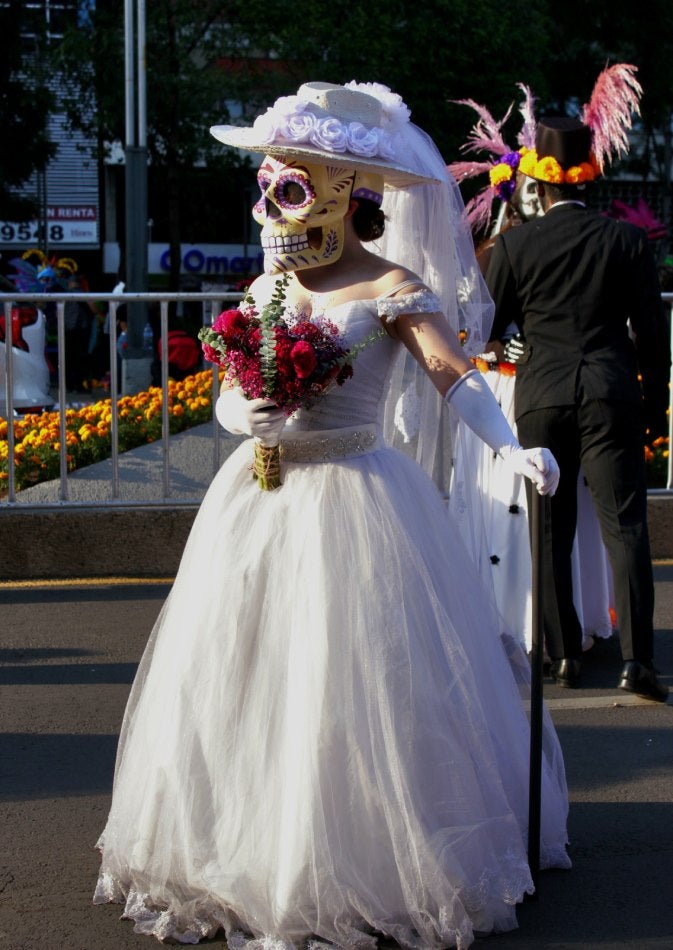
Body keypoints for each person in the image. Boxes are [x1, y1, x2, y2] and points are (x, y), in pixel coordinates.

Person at [94, 81, 570, 948]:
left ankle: (364, 849)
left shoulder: (391, 284)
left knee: (353, 683)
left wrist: (507, 445)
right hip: (261, 497)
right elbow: (231, 392)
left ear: (346, 196)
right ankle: (239, 845)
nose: (273, 208)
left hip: (356, 498)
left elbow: (451, 374)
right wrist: (249, 416)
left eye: (292, 189)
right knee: (247, 674)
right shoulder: (264, 286)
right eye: (266, 187)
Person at [485, 65, 670, 701]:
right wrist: (657, 407)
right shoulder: (627, 241)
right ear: (591, 176)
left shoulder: (516, 247)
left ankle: (564, 656)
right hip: (612, 391)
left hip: (542, 395)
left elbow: (489, 326)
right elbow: (651, 335)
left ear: (538, 180)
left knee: (550, 529)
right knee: (626, 530)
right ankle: (637, 661)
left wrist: (518, 339)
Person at [447, 84, 615, 653]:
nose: (528, 198)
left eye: (534, 188)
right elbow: (471, 332)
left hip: (543, 393)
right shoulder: (497, 252)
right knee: (523, 515)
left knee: (556, 515)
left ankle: (567, 632)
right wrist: (494, 351)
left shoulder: (544, 245)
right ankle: (530, 626)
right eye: (520, 190)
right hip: (508, 396)